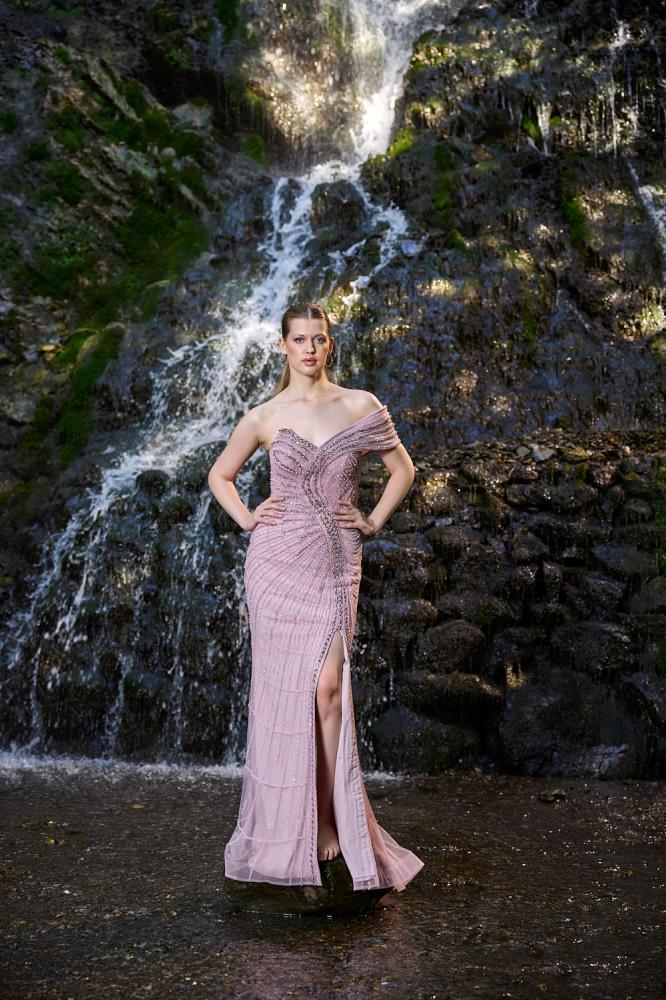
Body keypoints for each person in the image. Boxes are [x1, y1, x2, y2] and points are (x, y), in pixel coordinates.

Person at [207, 301, 424, 893]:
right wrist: (248, 518)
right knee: (286, 694)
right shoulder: (264, 415)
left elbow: (403, 470)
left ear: (330, 344)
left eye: (318, 339)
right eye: (299, 339)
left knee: (328, 688)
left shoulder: (360, 404)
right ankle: (299, 824)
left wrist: (372, 521)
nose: (309, 348)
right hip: (276, 562)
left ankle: (328, 818)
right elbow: (219, 476)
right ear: (283, 346)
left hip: (336, 562)